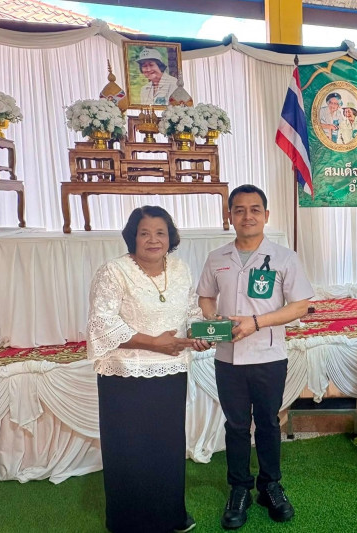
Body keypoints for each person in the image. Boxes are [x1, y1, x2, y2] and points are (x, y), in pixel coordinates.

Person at [87, 205, 211, 533]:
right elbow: (102, 323)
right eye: (145, 233)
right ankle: (127, 522)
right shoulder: (113, 271)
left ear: (170, 237)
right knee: (128, 450)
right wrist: (154, 343)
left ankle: (170, 515)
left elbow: (191, 311)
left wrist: (199, 334)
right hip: (124, 375)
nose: (153, 240)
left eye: (160, 233)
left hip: (170, 372)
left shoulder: (181, 269)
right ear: (133, 237)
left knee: (166, 448)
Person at [197, 184, 313, 529]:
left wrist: (256, 322)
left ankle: (270, 486)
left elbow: (300, 306)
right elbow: (205, 296)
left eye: (254, 209)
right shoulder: (217, 258)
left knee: (267, 423)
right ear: (229, 216)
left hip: (268, 355)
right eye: (239, 210)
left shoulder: (284, 258)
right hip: (227, 358)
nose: (247, 216)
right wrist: (212, 319)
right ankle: (239, 489)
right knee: (235, 425)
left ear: (266, 215)